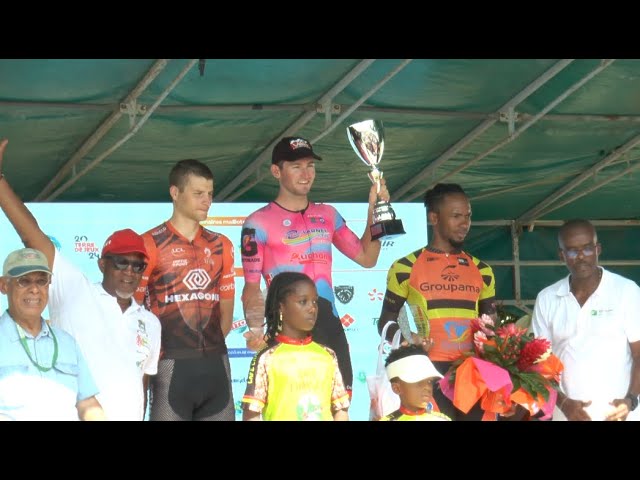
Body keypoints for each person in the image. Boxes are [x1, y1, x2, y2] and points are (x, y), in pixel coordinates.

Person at [0, 138, 161, 421]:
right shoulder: (76, 289)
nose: (129, 271)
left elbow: (142, 385)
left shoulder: (150, 322)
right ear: (101, 264)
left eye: (137, 265)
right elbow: (31, 236)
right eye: (121, 262)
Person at [240, 136, 390, 397]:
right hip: (285, 327)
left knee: (338, 405)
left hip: (328, 323)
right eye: (296, 166)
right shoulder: (258, 223)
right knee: (291, 406)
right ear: (276, 171)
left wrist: (374, 209)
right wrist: (256, 330)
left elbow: (367, 257)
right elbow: (252, 287)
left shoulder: (328, 215)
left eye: (310, 165)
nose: (306, 173)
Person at [377, 183, 497, 421]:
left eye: (468, 216)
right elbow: (385, 322)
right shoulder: (405, 267)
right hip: (426, 375)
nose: (465, 223)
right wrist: (410, 339)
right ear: (434, 218)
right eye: (456, 216)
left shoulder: (483, 270)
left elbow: (490, 326)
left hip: (472, 375)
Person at [135, 159, 236, 421]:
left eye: (210, 194)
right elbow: (133, 314)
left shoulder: (220, 244)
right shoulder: (149, 243)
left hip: (215, 365)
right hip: (170, 366)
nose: (207, 201)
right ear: (175, 193)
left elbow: (226, 314)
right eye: (198, 194)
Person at [532, 219, 640, 421]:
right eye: (572, 251)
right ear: (561, 255)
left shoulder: (627, 291)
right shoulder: (547, 298)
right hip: (566, 415)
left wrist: (630, 401)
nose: (581, 257)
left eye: (587, 249)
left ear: (598, 249)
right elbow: (538, 363)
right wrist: (563, 404)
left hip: (618, 415)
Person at [0, 247, 105, 420]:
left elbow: (87, 403)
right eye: (24, 281)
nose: (34, 289)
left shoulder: (66, 343)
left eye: (41, 281)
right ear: (4, 286)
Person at [241, 272, 350, 421]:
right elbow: (251, 414)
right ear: (281, 307)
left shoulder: (327, 355)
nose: (312, 308)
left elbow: (340, 410)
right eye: (303, 301)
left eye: (314, 302)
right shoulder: (267, 358)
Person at [380, 344, 451, 421]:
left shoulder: (442, 419)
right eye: (419, 381)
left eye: (429, 381)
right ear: (396, 388)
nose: (427, 387)